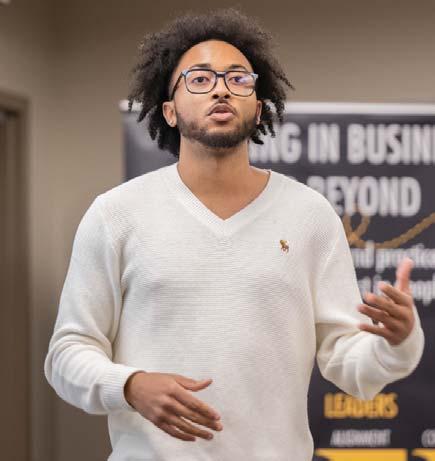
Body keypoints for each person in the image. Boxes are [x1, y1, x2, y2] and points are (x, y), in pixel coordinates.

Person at [44, 7, 424, 461]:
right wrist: (129, 385)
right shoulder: (116, 215)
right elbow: (67, 353)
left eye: (238, 79)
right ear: (169, 111)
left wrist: (396, 342)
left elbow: (345, 359)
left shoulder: (310, 215)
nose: (221, 88)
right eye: (200, 79)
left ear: (258, 109)